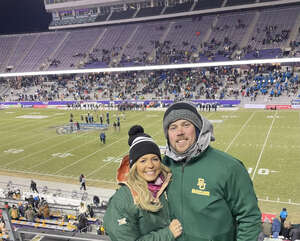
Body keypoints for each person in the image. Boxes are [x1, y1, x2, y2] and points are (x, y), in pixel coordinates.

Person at [162, 101, 261, 241]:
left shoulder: (229, 167)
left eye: (186, 124)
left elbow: (249, 217)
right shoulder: (161, 167)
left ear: (197, 128)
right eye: (173, 127)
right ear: (168, 135)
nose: (180, 132)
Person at [104, 125, 182, 241]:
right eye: (143, 160)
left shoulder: (168, 184)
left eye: (155, 159)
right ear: (134, 166)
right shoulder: (123, 199)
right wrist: (168, 234)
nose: (150, 165)